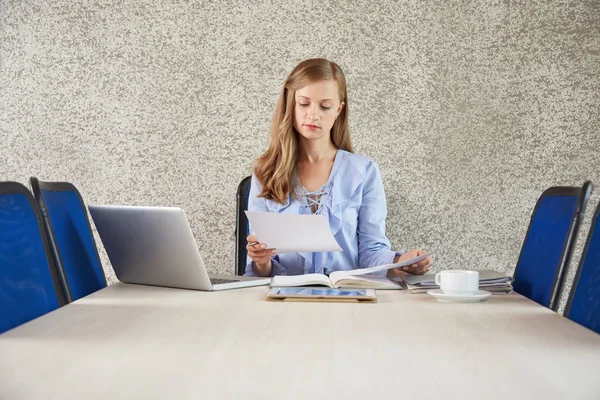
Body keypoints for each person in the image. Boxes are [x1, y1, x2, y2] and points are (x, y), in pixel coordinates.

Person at [244, 58, 432, 278]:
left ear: (338, 110)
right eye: (304, 103)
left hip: (347, 298)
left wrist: (401, 261)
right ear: (290, 103)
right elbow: (261, 268)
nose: (313, 115)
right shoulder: (266, 172)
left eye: (325, 106)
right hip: (285, 301)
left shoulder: (364, 172)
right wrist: (261, 260)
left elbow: (371, 252)